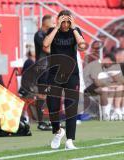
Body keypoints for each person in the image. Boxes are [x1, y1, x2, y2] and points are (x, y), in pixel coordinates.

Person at [43, 10, 86, 149]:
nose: (65, 24)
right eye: (63, 21)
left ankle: (69, 140)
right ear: (58, 20)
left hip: (72, 74)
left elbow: (82, 45)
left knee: (71, 107)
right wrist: (56, 27)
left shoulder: (75, 30)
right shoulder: (52, 30)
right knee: (52, 104)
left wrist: (73, 28)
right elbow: (45, 45)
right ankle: (58, 131)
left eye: (68, 21)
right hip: (55, 73)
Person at [34, 15, 54, 131]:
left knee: (48, 94)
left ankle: (49, 121)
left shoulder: (47, 35)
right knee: (42, 95)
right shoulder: (39, 34)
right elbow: (46, 48)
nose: (54, 24)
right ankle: (40, 122)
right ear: (46, 23)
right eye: (52, 21)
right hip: (42, 68)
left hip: (48, 67)